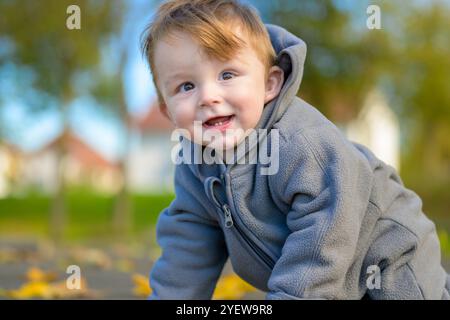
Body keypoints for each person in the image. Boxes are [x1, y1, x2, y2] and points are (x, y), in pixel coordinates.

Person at [140, 0, 450, 299]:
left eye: (227, 75)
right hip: (328, 281)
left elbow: (324, 234)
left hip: (386, 253)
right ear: (167, 110)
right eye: (187, 86)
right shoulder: (196, 165)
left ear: (270, 84)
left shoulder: (299, 143)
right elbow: (189, 243)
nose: (208, 96)